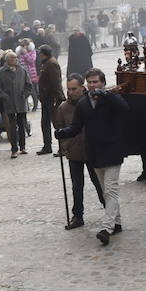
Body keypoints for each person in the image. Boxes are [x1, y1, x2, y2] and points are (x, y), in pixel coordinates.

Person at [54, 68, 129, 246]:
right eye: (90, 82)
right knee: (105, 190)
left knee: (110, 190)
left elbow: (125, 109)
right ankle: (116, 222)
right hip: (94, 153)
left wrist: (108, 96)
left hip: (112, 151)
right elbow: (76, 127)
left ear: (102, 82)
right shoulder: (83, 105)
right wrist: (62, 133)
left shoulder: (111, 99)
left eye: (96, 82)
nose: (93, 85)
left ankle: (107, 228)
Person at [55, 75, 107, 230]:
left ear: (82, 88)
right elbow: (59, 126)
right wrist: (66, 145)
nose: (70, 92)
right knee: (77, 186)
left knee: (99, 183)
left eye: (74, 89)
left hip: (92, 150)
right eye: (68, 89)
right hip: (74, 152)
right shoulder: (63, 108)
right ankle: (77, 215)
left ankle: (110, 213)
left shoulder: (90, 103)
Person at [0, 50, 32, 157]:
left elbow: (28, 85)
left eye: (16, 58)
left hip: (21, 102)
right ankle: (14, 149)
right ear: (7, 60)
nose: (15, 60)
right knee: (12, 126)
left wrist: (25, 94)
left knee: (22, 125)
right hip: (9, 103)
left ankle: (23, 147)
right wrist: (5, 96)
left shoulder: (22, 70)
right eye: (13, 58)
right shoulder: (1, 72)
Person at [37, 45, 63, 155]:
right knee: (45, 123)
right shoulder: (46, 63)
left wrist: (58, 97)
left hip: (52, 98)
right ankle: (47, 145)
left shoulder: (51, 63)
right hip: (46, 98)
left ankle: (63, 147)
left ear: (44, 54)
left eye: (40, 53)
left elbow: (55, 82)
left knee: (57, 123)